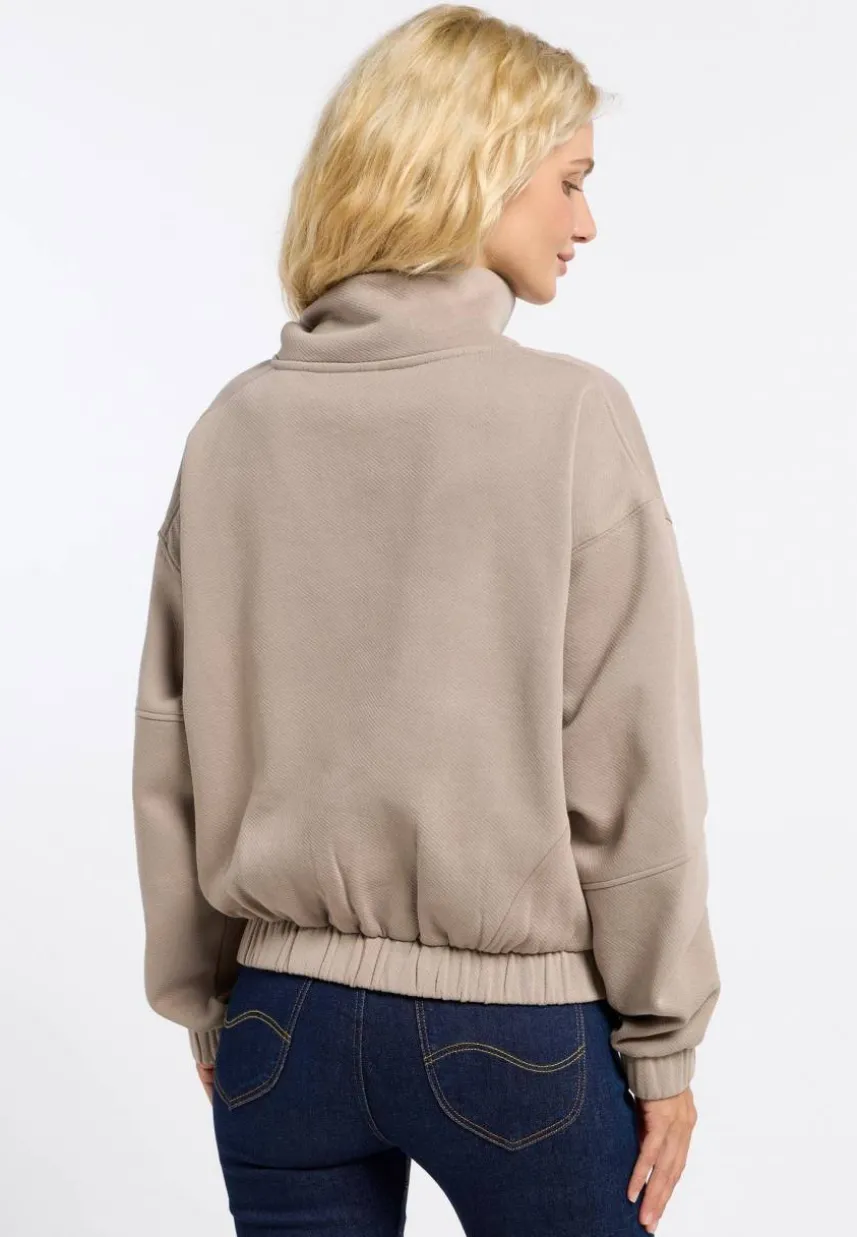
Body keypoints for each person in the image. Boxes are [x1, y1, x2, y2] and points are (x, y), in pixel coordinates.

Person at [131, 5, 720, 1234]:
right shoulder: (567, 417)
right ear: (477, 171)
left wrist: (206, 1000)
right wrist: (661, 1041)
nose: (585, 223)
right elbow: (632, 758)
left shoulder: (234, 425)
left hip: (277, 1028)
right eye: (569, 181)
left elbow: (170, 751)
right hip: (513, 1034)